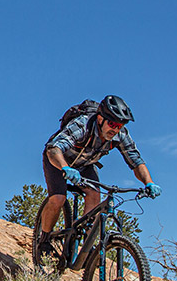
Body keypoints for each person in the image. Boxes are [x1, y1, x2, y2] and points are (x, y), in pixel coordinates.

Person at [36, 95, 161, 262]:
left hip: (85, 165)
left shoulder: (120, 134)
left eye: (120, 126)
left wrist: (149, 182)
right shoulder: (83, 124)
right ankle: (44, 240)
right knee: (58, 198)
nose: (115, 129)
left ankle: (84, 244)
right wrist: (65, 168)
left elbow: (135, 161)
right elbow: (54, 149)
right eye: (113, 124)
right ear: (101, 119)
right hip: (58, 160)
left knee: (95, 196)